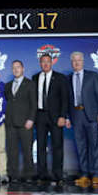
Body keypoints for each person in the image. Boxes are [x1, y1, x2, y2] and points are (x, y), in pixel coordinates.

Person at [66, 51, 98, 187]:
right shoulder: (68, 78)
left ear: (83, 62)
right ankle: (84, 174)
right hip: (76, 115)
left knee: (94, 145)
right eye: (74, 61)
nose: (76, 63)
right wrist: (67, 117)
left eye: (79, 60)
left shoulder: (92, 76)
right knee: (81, 146)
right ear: (71, 63)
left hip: (91, 115)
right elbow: (67, 100)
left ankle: (95, 175)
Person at [32, 54, 68, 186]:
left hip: (56, 117)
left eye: (48, 62)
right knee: (41, 146)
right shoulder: (35, 78)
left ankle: (58, 175)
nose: (45, 64)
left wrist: (63, 116)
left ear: (52, 63)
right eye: (43, 62)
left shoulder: (60, 78)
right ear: (40, 63)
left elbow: (65, 99)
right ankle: (42, 175)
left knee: (57, 146)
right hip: (40, 116)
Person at [4, 60, 37, 183]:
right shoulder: (7, 86)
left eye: (18, 67)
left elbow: (34, 104)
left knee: (27, 150)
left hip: (25, 123)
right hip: (10, 123)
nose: (16, 69)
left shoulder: (30, 84)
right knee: (12, 151)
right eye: (13, 68)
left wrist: (31, 119)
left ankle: (29, 175)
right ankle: (13, 175)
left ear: (23, 69)